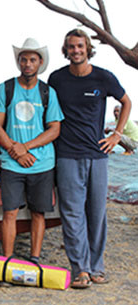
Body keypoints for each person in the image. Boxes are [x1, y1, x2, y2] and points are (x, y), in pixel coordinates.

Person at [48, 29, 132, 288]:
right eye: (71, 47)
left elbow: (126, 102)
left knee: (97, 214)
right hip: (67, 155)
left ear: (87, 49)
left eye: (80, 46)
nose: (76, 51)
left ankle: (96, 266)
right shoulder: (57, 79)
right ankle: (80, 269)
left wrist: (117, 134)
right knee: (72, 214)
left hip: (98, 155)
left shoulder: (103, 77)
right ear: (66, 50)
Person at [0, 38, 64, 266]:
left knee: (38, 212)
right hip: (11, 163)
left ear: (40, 62)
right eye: (23, 59)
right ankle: (8, 259)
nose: (27, 64)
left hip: (42, 163)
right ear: (18, 62)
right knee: (9, 211)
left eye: (32, 59)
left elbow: (55, 129)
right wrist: (15, 151)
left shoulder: (48, 92)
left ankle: (35, 258)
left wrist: (26, 148)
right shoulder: (5, 89)